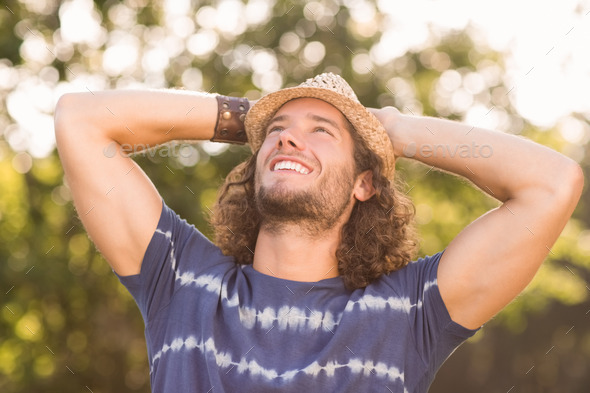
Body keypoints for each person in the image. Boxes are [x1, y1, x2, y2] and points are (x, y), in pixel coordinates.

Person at [54, 73, 583, 392]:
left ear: (364, 182)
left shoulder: (411, 312)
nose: (288, 141)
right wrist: (247, 118)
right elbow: (80, 119)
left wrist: (394, 131)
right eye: (277, 135)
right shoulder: (180, 281)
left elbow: (553, 184)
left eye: (320, 132)